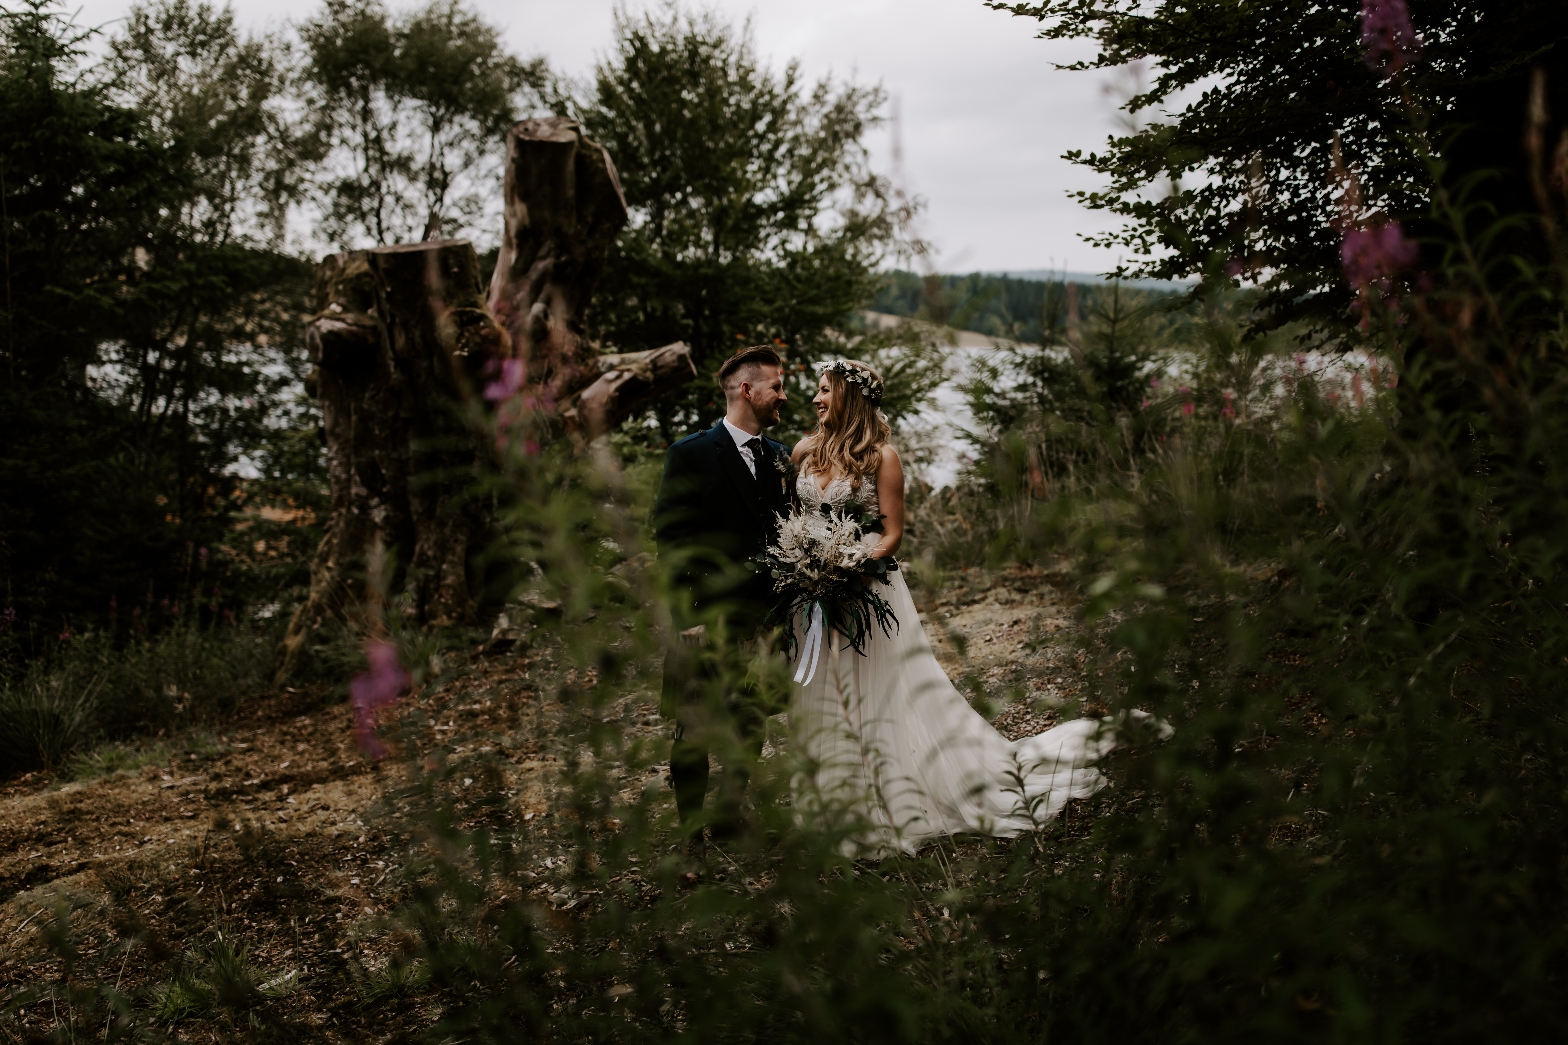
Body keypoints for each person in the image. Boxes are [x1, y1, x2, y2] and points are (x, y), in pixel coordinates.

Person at [790, 359, 1167, 857]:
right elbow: (793, 520)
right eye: (815, 391)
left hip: (865, 590)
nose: (815, 400)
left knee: (875, 693)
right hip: (811, 597)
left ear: (849, 398)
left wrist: (850, 564)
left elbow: (892, 533)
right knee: (822, 696)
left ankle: (880, 804)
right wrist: (803, 562)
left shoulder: (883, 458)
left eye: (824, 391)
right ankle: (826, 805)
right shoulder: (802, 451)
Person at [653, 345, 793, 845]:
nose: (784, 395)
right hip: (704, 618)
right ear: (747, 390)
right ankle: (690, 838)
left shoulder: (779, 457)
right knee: (693, 731)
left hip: (763, 619)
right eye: (776, 385)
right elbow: (669, 542)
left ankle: (730, 814)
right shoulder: (690, 454)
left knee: (752, 720)